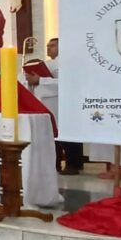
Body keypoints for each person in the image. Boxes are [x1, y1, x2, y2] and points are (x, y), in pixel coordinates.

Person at [25, 38, 82, 175]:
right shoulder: (47, 63)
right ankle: (54, 163)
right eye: (47, 46)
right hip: (49, 102)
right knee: (53, 134)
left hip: (66, 103)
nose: (49, 48)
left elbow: (69, 82)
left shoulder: (69, 62)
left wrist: (40, 80)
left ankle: (73, 164)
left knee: (68, 133)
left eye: (52, 45)